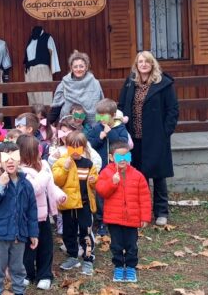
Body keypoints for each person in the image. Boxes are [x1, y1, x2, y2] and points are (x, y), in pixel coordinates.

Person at [118, 51, 179, 226]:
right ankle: (141, 212)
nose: (143, 64)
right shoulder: (131, 83)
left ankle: (161, 211)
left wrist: (165, 132)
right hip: (134, 137)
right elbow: (121, 105)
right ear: (136, 65)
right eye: (140, 62)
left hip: (156, 137)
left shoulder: (164, 84)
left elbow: (172, 110)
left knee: (159, 175)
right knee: (138, 176)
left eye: (147, 62)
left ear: (152, 64)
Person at [0, 142, 39, 295]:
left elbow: (32, 210)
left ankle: (19, 290)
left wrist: (33, 233)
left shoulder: (26, 184)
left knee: (17, 267)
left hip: (18, 234)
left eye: (13, 157)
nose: (10, 161)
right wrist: (0, 185)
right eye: (5, 157)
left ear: (19, 159)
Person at [96, 142, 151, 283]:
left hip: (132, 219)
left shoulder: (138, 175)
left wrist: (145, 217)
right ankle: (119, 266)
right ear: (111, 157)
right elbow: (102, 191)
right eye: (119, 156)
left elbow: (144, 198)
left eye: (126, 155)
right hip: (114, 219)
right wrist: (112, 182)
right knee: (116, 244)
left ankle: (131, 267)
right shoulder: (106, 173)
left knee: (132, 245)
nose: (123, 159)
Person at [18, 135, 66, 291]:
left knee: (45, 245)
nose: (42, 151)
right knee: (28, 247)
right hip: (28, 216)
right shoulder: (21, 171)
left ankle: (44, 275)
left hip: (44, 215)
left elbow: (50, 186)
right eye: (38, 149)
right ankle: (27, 274)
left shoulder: (43, 165)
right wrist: (45, 174)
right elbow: (34, 189)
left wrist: (59, 195)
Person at [52, 132, 98, 276]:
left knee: (86, 231)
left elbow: (96, 180)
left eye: (79, 148)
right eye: (72, 148)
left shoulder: (88, 163)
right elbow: (56, 181)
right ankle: (72, 256)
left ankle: (88, 257)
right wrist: (65, 168)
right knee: (68, 232)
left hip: (84, 204)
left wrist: (94, 180)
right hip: (68, 205)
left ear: (84, 148)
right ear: (67, 148)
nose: (76, 152)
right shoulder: (61, 162)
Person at [87, 98, 131, 236]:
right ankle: (102, 222)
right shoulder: (96, 129)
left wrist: (110, 133)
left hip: (117, 169)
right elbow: (89, 146)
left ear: (112, 115)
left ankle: (118, 219)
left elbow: (123, 145)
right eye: (98, 116)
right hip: (102, 171)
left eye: (104, 116)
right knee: (101, 195)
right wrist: (100, 137)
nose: (101, 119)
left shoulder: (120, 128)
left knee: (117, 194)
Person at [48, 51, 104, 124]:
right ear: (71, 68)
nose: (78, 69)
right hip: (69, 124)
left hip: (91, 124)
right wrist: (46, 124)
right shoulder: (64, 83)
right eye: (75, 67)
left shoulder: (95, 83)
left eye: (81, 66)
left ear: (86, 67)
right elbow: (56, 108)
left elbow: (101, 105)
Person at [24, 26, 61, 105]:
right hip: (29, 70)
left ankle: (47, 115)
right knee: (32, 95)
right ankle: (35, 116)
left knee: (44, 94)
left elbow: (52, 52)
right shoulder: (31, 38)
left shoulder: (47, 37)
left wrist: (53, 69)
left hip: (42, 69)